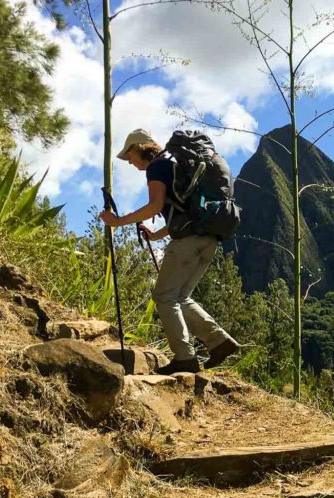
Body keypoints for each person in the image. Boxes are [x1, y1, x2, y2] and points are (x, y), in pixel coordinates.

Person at [98, 128, 239, 375]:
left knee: (164, 296)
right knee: (180, 297)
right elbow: (184, 211)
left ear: (137, 149)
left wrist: (116, 221)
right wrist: (156, 235)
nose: (130, 162)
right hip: (209, 238)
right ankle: (220, 342)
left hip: (188, 241)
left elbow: (155, 205)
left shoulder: (157, 167)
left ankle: (185, 358)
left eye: (129, 157)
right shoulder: (176, 165)